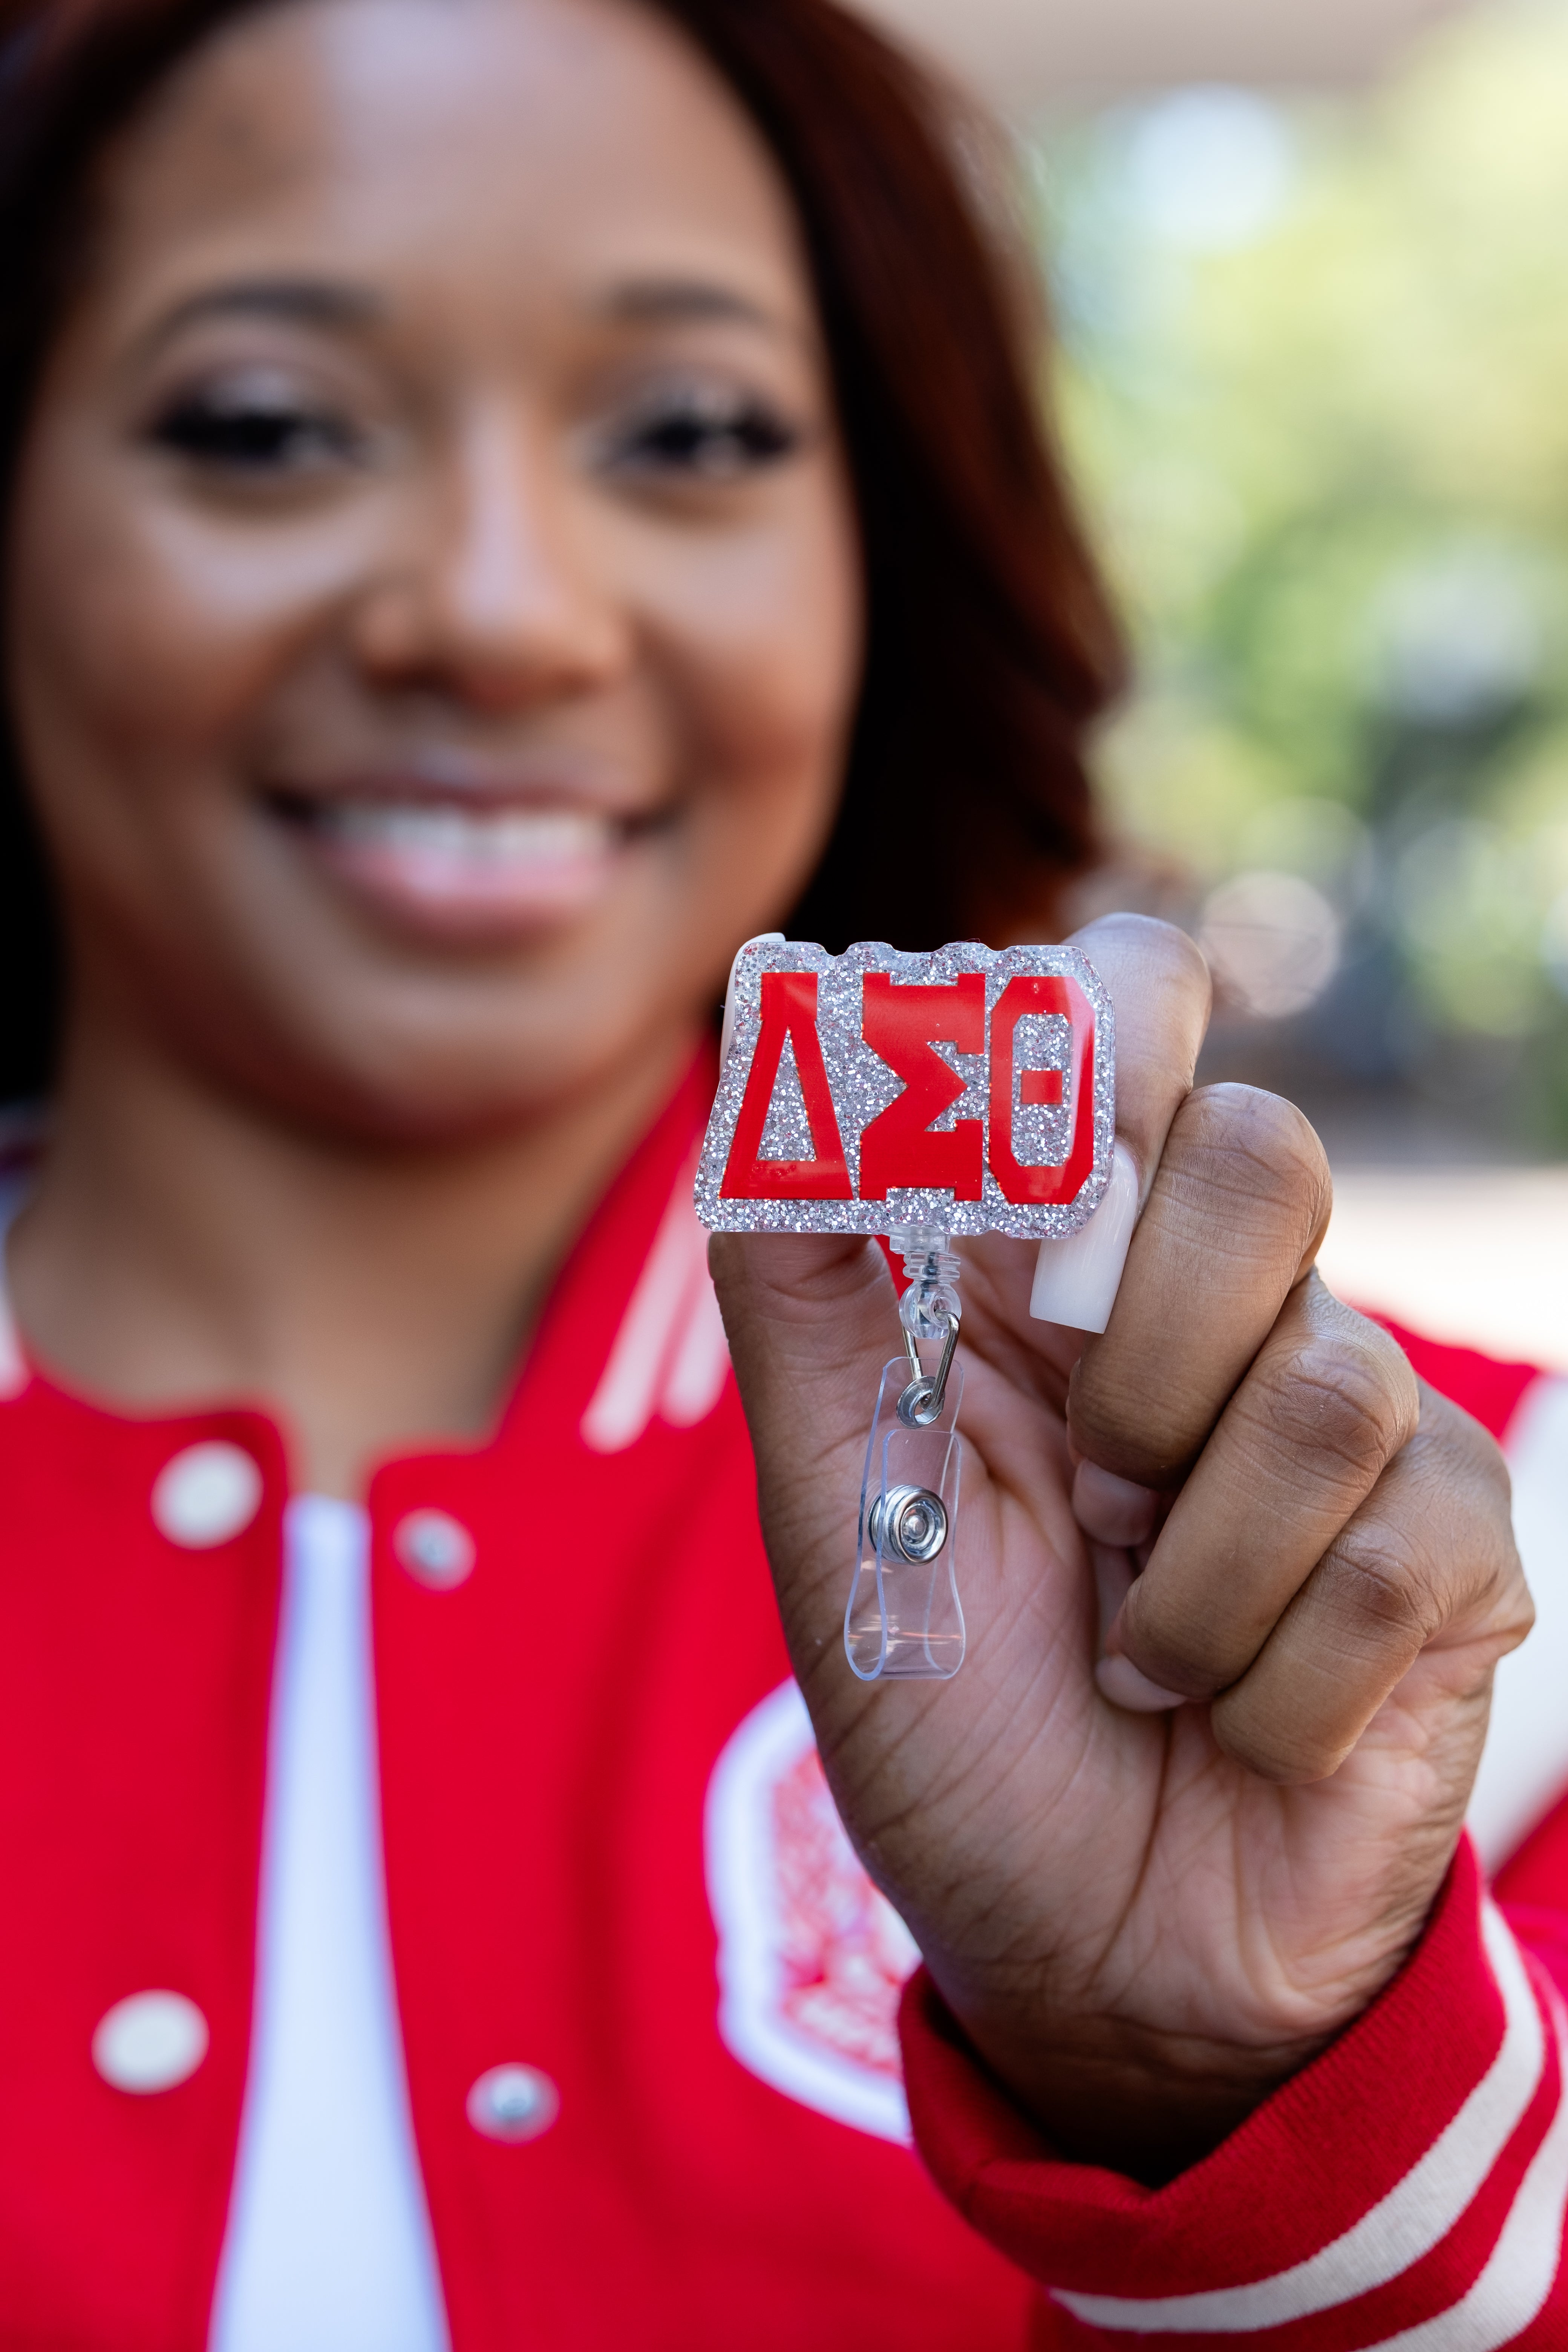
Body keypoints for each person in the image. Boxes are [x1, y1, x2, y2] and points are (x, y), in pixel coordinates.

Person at [0, 0, 1559, 2344]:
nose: (506, 612)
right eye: (263, 424)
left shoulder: (1444, 1602)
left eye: (696, 429)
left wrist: (1231, 2096)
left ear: (881, 558)